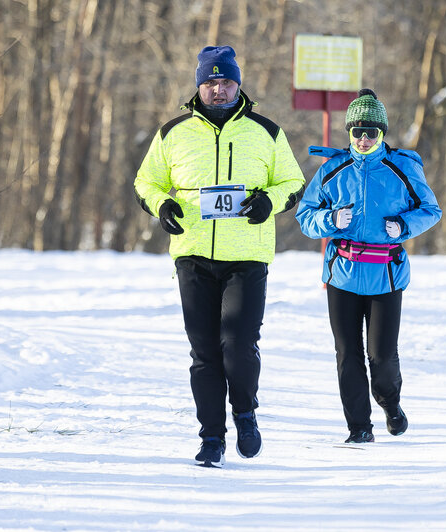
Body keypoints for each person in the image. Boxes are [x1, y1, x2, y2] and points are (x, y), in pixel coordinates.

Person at [134, 45, 305, 467]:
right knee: (205, 352)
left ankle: (245, 412)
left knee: (238, 345)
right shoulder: (172, 133)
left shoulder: (266, 131)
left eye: (225, 81)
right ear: (199, 85)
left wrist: (270, 201)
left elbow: (293, 181)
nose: (217, 89)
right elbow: (146, 182)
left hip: (247, 255)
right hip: (192, 255)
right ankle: (212, 438)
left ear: (238, 83)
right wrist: (163, 206)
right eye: (210, 82)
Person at [295, 88, 441, 444]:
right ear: (348, 132)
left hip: (385, 275)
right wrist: (330, 219)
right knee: (347, 354)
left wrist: (404, 225)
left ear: (382, 133)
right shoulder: (333, 168)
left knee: (381, 355)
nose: (363, 139)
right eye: (357, 132)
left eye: (371, 132)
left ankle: (390, 404)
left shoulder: (402, 167)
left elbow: (431, 210)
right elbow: (305, 216)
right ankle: (359, 426)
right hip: (342, 274)